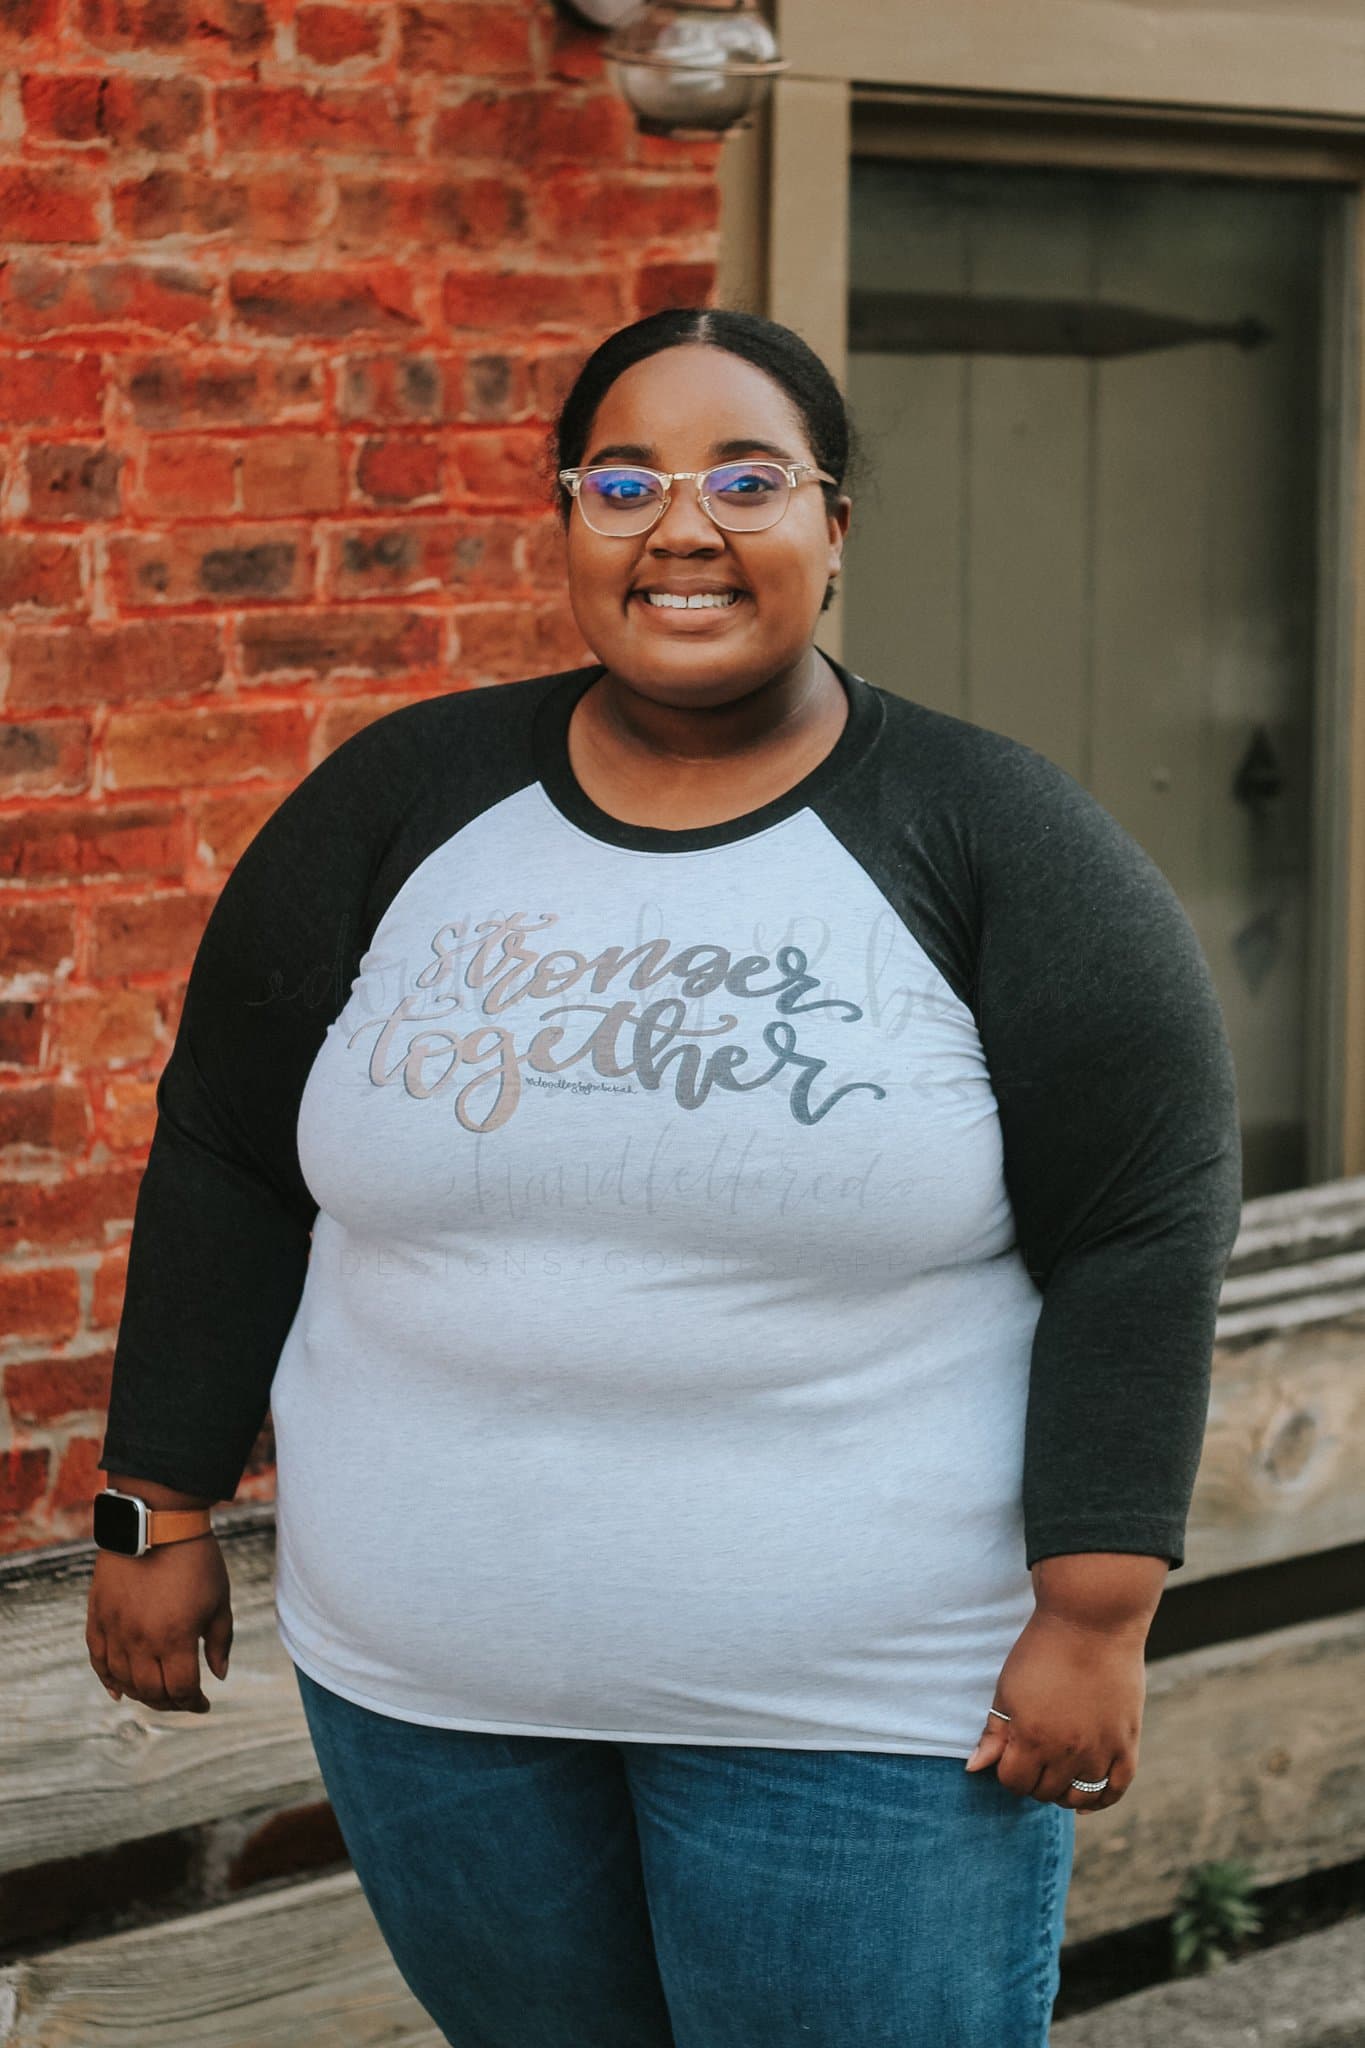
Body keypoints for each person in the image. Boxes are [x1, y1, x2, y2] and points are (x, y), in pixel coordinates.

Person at [86, 307, 1243, 2047]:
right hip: (433, 1697)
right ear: (565, 520)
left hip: (859, 1721)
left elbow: (1143, 1228)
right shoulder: (401, 800)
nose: (681, 528)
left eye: (744, 481)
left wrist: (1096, 1612)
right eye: (623, 483)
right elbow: (230, 1156)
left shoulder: (991, 834)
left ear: (832, 527)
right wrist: (152, 1502)